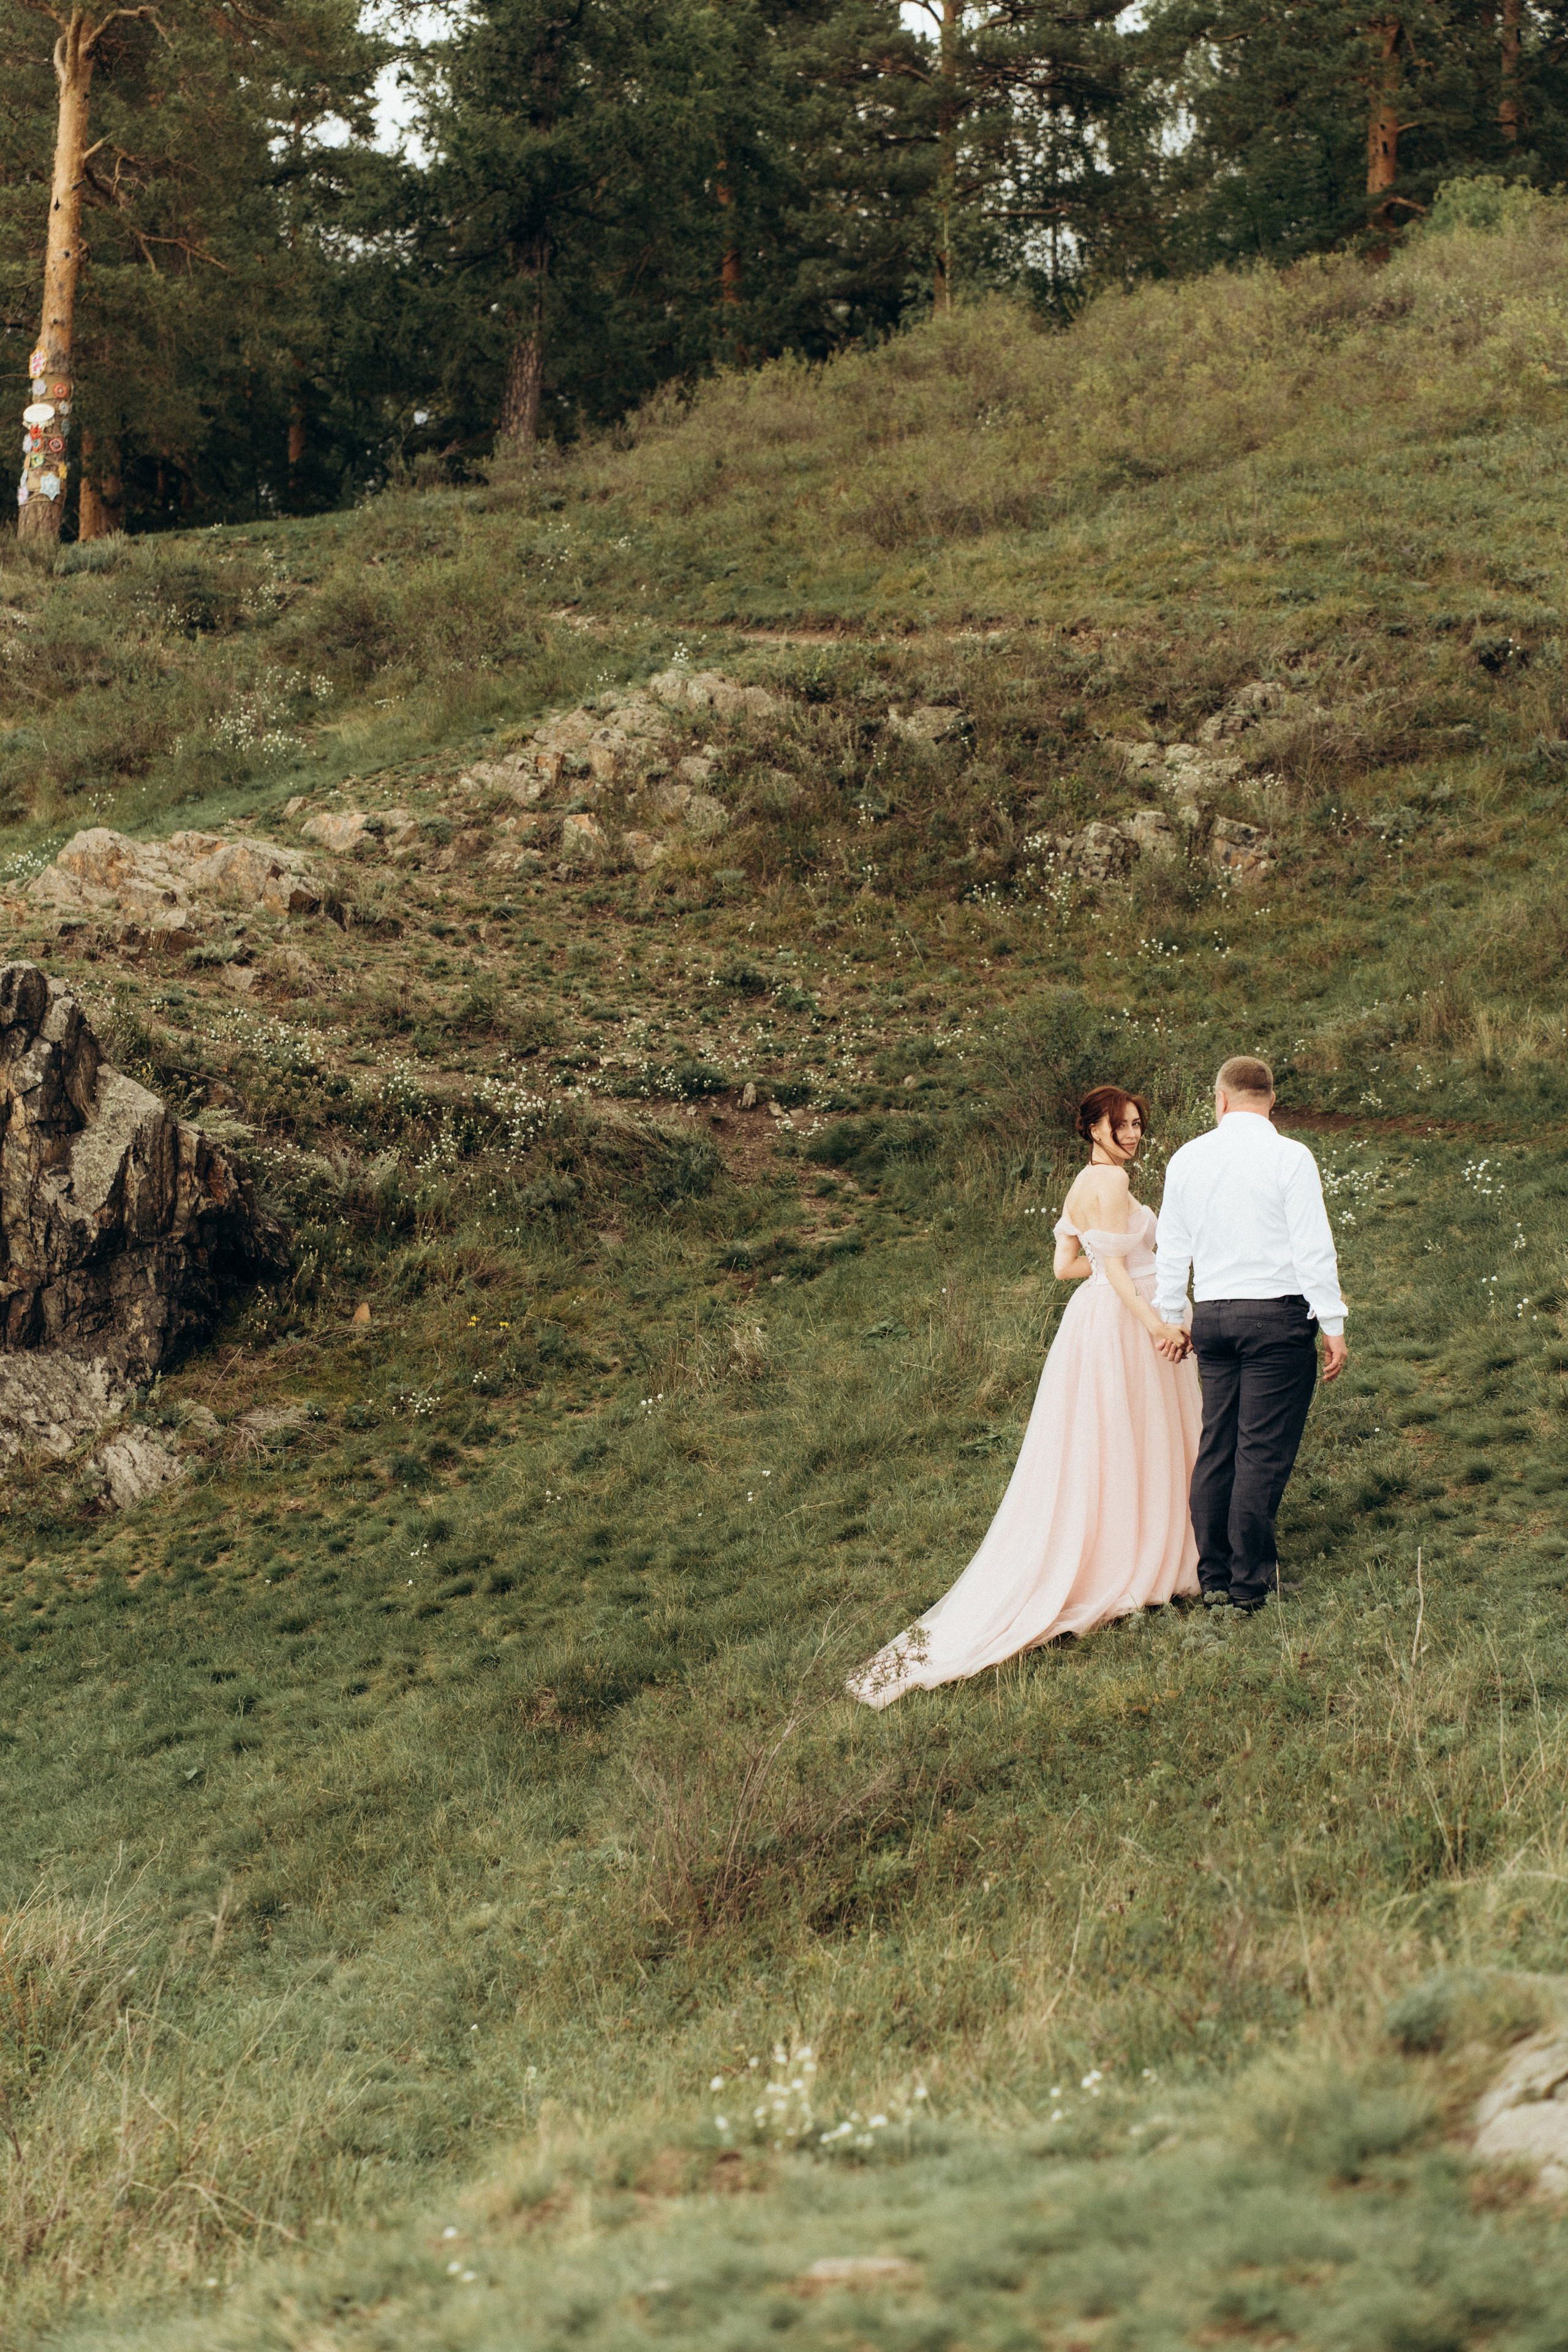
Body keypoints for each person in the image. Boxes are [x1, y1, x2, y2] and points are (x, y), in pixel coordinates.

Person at [848, 1085, 1202, 1709]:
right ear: (1093, 1127)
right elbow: (1114, 1269)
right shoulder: (1113, 1186)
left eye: (1138, 1125)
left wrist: (1119, 1268)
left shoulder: (1079, 1185)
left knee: (1113, 1435)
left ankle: (1136, 1540)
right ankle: (1147, 1555)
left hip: (1091, 1321)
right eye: (1121, 1125)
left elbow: (1066, 1266)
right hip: (1126, 1320)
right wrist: (1156, 1322)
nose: (1133, 1135)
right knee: (1140, 1431)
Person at [1154, 1054, 1347, 1615]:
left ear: (1221, 1100)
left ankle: (1213, 1575)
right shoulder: (1290, 1156)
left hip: (1213, 1317)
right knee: (1259, 1452)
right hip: (1276, 1319)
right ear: (1270, 1103)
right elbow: (1313, 1245)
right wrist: (1330, 1323)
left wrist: (1174, 1315)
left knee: (1218, 1446)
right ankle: (1248, 1586)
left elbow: (1174, 1247)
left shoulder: (1188, 1158)